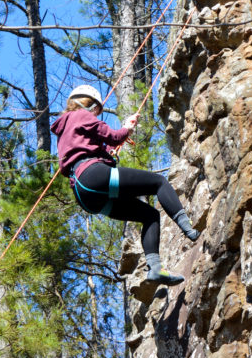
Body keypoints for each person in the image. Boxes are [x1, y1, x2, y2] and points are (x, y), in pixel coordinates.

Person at [51, 83, 199, 286]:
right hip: (92, 175)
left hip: (85, 194)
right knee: (159, 182)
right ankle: (188, 228)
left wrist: (111, 147)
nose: (96, 115)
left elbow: (96, 146)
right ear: (90, 105)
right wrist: (127, 128)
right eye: (97, 110)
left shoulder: (64, 130)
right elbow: (114, 136)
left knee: (149, 215)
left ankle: (155, 269)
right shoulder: (83, 115)